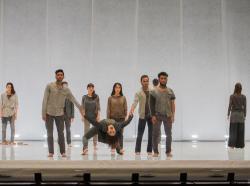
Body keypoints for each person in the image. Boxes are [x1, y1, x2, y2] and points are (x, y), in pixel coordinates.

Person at [42, 69, 83, 157]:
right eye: (58, 75)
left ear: (63, 76)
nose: (59, 76)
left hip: (60, 113)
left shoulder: (66, 90)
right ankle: (51, 152)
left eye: (61, 75)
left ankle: (63, 152)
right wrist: (43, 113)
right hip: (49, 112)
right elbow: (45, 100)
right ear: (55, 76)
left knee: (61, 133)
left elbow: (73, 99)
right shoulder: (49, 86)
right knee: (49, 133)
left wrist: (80, 108)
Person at [150, 72, 176, 157]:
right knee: (155, 134)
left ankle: (168, 151)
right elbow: (151, 104)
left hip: (168, 115)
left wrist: (173, 115)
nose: (163, 80)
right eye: (162, 78)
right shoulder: (154, 91)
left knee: (169, 134)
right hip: (157, 115)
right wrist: (153, 115)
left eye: (165, 78)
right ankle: (156, 152)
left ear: (167, 79)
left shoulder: (170, 91)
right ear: (159, 79)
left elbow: (173, 104)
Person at [130, 75, 153, 155]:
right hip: (142, 115)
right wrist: (131, 110)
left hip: (151, 116)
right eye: (144, 81)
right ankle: (137, 150)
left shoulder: (152, 90)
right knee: (140, 134)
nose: (146, 82)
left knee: (151, 134)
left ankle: (149, 150)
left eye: (147, 81)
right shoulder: (138, 92)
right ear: (141, 82)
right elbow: (135, 102)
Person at [107, 83, 127, 154]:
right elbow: (108, 110)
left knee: (120, 134)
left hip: (121, 119)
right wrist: (108, 120)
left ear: (121, 89)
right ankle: (113, 148)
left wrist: (125, 117)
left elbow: (125, 108)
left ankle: (120, 148)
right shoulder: (110, 98)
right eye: (116, 87)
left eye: (119, 87)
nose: (118, 89)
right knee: (113, 134)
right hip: (112, 119)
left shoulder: (123, 98)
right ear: (114, 88)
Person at [81, 83, 100, 152]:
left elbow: (98, 107)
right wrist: (82, 116)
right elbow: (82, 107)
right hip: (87, 117)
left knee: (95, 131)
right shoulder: (84, 97)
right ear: (87, 88)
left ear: (93, 88)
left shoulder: (96, 97)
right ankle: (85, 146)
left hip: (94, 116)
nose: (91, 88)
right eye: (89, 87)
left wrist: (98, 116)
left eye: (92, 87)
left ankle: (95, 144)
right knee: (86, 131)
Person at [227, 82, 247, 149]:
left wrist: (228, 114)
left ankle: (232, 145)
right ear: (241, 89)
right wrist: (245, 115)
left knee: (233, 131)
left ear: (235, 88)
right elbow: (245, 107)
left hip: (234, 115)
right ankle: (240, 145)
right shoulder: (243, 97)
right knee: (241, 131)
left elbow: (230, 106)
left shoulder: (232, 96)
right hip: (241, 115)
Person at [62, 81, 74, 147]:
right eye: (63, 86)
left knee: (68, 129)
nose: (65, 87)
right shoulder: (59, 94)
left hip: (68, 115)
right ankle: (60, 142)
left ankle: (69, 142)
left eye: (66, 86)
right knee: (60, 130)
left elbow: (72, 106)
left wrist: (72, 116)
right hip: (60, 114)